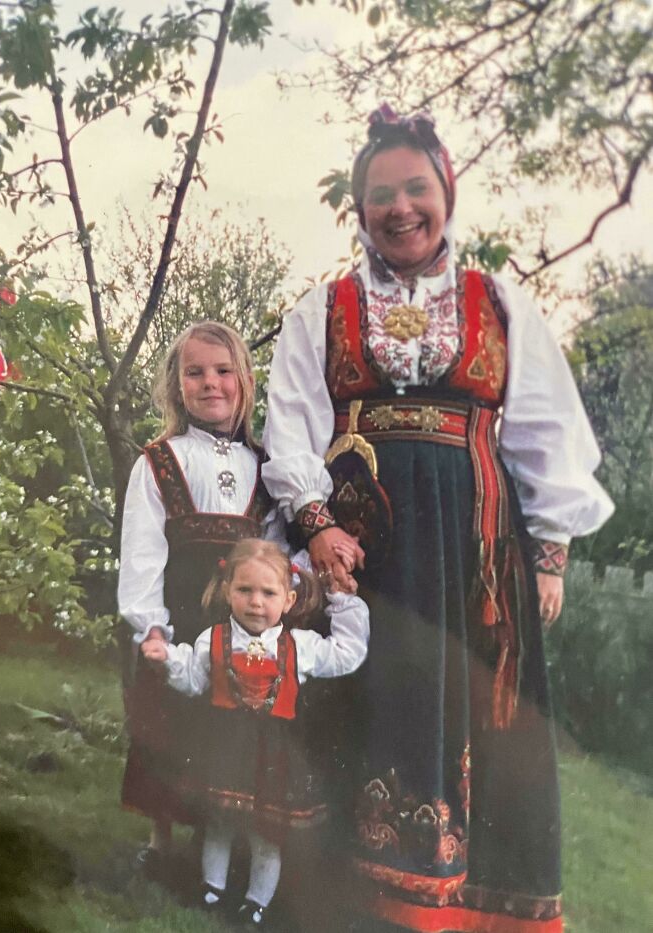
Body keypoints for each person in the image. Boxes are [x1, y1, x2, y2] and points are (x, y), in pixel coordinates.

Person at [262, 105, 614, 933]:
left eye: (416, 187)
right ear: (360, 208)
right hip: (366, 554)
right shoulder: (326, 307)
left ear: (446, 193)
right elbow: (292, 424)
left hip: (475, 557)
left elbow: (542, 432)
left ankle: (471, 911)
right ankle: (345, 904)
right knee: (364, 704)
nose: (400, 207)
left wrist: (551, 552)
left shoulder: (500, 306)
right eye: (380, 193)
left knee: (482, 727)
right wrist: (315, 526)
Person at [141, 538, 370, 927]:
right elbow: (193, 678)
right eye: (245, 590)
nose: (256, 602)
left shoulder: (301, 645)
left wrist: (343, 602)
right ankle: (212, 889)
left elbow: (346, 653)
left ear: (289, 600)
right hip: (224, 748)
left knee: (267, 833)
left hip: (274, 754)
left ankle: (256, 900)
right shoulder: (211, 640)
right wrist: (167, 659)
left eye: (268, 592)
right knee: (220, 823)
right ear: (228, 590)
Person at [118, 320, 278, 878]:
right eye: (195, 372)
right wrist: (151, 626)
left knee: (232, 730)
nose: (210, 383)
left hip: (244, 621)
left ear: (244, 380)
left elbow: (277, 551)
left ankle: (224, 840)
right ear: (176, 385)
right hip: (180, 615)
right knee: (168, 725)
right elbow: (142, 553)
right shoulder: (159, 460)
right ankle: (162, 841)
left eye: (222, 370)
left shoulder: (265, 466)